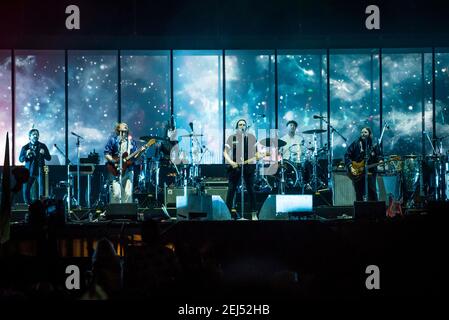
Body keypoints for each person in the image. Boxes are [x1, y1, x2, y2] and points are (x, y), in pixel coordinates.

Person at [224, 119, 258, 220]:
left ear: (246, 127)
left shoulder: (251, 138)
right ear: (236, 127)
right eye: (240, 124)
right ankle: (227, 213)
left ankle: (253, 213)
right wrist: (231, 162)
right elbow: (225, 152)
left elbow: (256, 153)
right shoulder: (232, 138)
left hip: (248, 166)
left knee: (251, 189)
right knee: (231, 189)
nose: (242, 126)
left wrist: (258, 156)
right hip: (234, 166)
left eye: (244, 124)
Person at [104, 122, 144, 203]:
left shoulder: (131, 142)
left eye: (125, 131)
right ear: (118, 131)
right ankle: (115, 214)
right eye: (121, 131)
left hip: (128, 170)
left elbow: (135, 158)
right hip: (116, 170)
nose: (123, 133)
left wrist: (140, 152)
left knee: (128, 194)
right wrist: (114, 161)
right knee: (116, 194)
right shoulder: (113, 140)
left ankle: (127, 214)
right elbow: (106, 154)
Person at [344, 127, 382, 201]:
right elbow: (347, 155)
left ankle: (375, 210)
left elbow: (379, 155)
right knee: (359, 193)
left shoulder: (374, 144)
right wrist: (351, 166)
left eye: (365, 132)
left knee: (372, 192)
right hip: (357, 171)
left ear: (369, 134)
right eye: (362, 132)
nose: (363, 134)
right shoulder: (356, 143)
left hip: (370, 171)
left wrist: (380, 161)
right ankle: (360, 211)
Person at [19, 129, 51, 204]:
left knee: (42, 188)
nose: (36, 136)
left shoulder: (42, 146)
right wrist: (26, 154)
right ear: (29, 137)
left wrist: (44, 153)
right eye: (34, 134)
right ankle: (28, 204)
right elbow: (20, 159)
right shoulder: (25, 147)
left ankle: (42, 204)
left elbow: (49, 158)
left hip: (40, 170)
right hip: (29, 171)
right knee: (26, 189)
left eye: (37, 134)